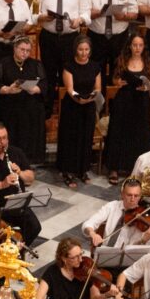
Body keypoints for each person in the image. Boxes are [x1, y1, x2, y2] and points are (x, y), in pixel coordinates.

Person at [0, 121, 42, 247]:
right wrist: (2, 184)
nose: (2, 142)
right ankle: (7, 253)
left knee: (34, 227)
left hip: (18, 204)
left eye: (4, 138)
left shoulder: (15, 152)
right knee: (3, 236)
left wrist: (20, 172)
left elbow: (30, 178)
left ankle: (16, 252)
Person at [36, 0, 90, 112]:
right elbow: (33, 15)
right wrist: (43, 17)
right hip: (49, 37)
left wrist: (79, 20)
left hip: (70, 39)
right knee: (48, 72)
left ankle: (67, 106)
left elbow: (86, 14)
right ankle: (47, 108)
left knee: (69, 72)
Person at [104, 34, 150, 184]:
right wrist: (118, 82)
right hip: (124, 100)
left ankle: (136, 168)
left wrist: (146, 86)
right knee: (118, 132)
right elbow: (114, 78)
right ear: (130, 46)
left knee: (140, 133)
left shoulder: (148, 62)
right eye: (134, 45)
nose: (137, 48)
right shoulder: (122, 60)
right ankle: (114, 168)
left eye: (140, 45)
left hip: (141, 101)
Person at [0, 36, 47, 164]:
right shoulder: (3, 63)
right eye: (22, 49)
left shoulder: (36, 64)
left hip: (29, 106)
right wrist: (8, 89)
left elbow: (44, 84)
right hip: (9, 106)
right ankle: (6, 159)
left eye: (28, 50)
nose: (25, 53)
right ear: (15, 48)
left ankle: (26, 161)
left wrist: (35, 89)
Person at [57, 35, 102, 188]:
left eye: (86, 50)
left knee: (86, 137)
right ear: (76, 50)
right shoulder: (69, 66)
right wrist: (79, 99)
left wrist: (90, 98)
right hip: (73, 106)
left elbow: (98, 88)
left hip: (88, 106)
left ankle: (83, 170)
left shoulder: (95, 66)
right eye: (81, 49)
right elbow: (70, 89)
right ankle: (68, 171)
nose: (84, 53)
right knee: (71, 138)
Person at [85, 0, 138, 85]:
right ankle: (100, 99)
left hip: (119, 37)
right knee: (97, 70)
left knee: (119, 69)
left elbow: (134, 13)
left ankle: (116, 101)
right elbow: (85, 12)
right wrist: (100, 12)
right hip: (97, 37)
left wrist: (123, 16)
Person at [82, 177, 150, 249]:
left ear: (140, 196)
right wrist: (93, 234)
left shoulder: (142, 219)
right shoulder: (112, 206)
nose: (132, 199)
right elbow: (88, 224)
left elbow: (135, 250)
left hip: (126, 260)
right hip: (103, 251)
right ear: (122, 194)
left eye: (136, 196)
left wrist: (144, 240)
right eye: (129, 195)